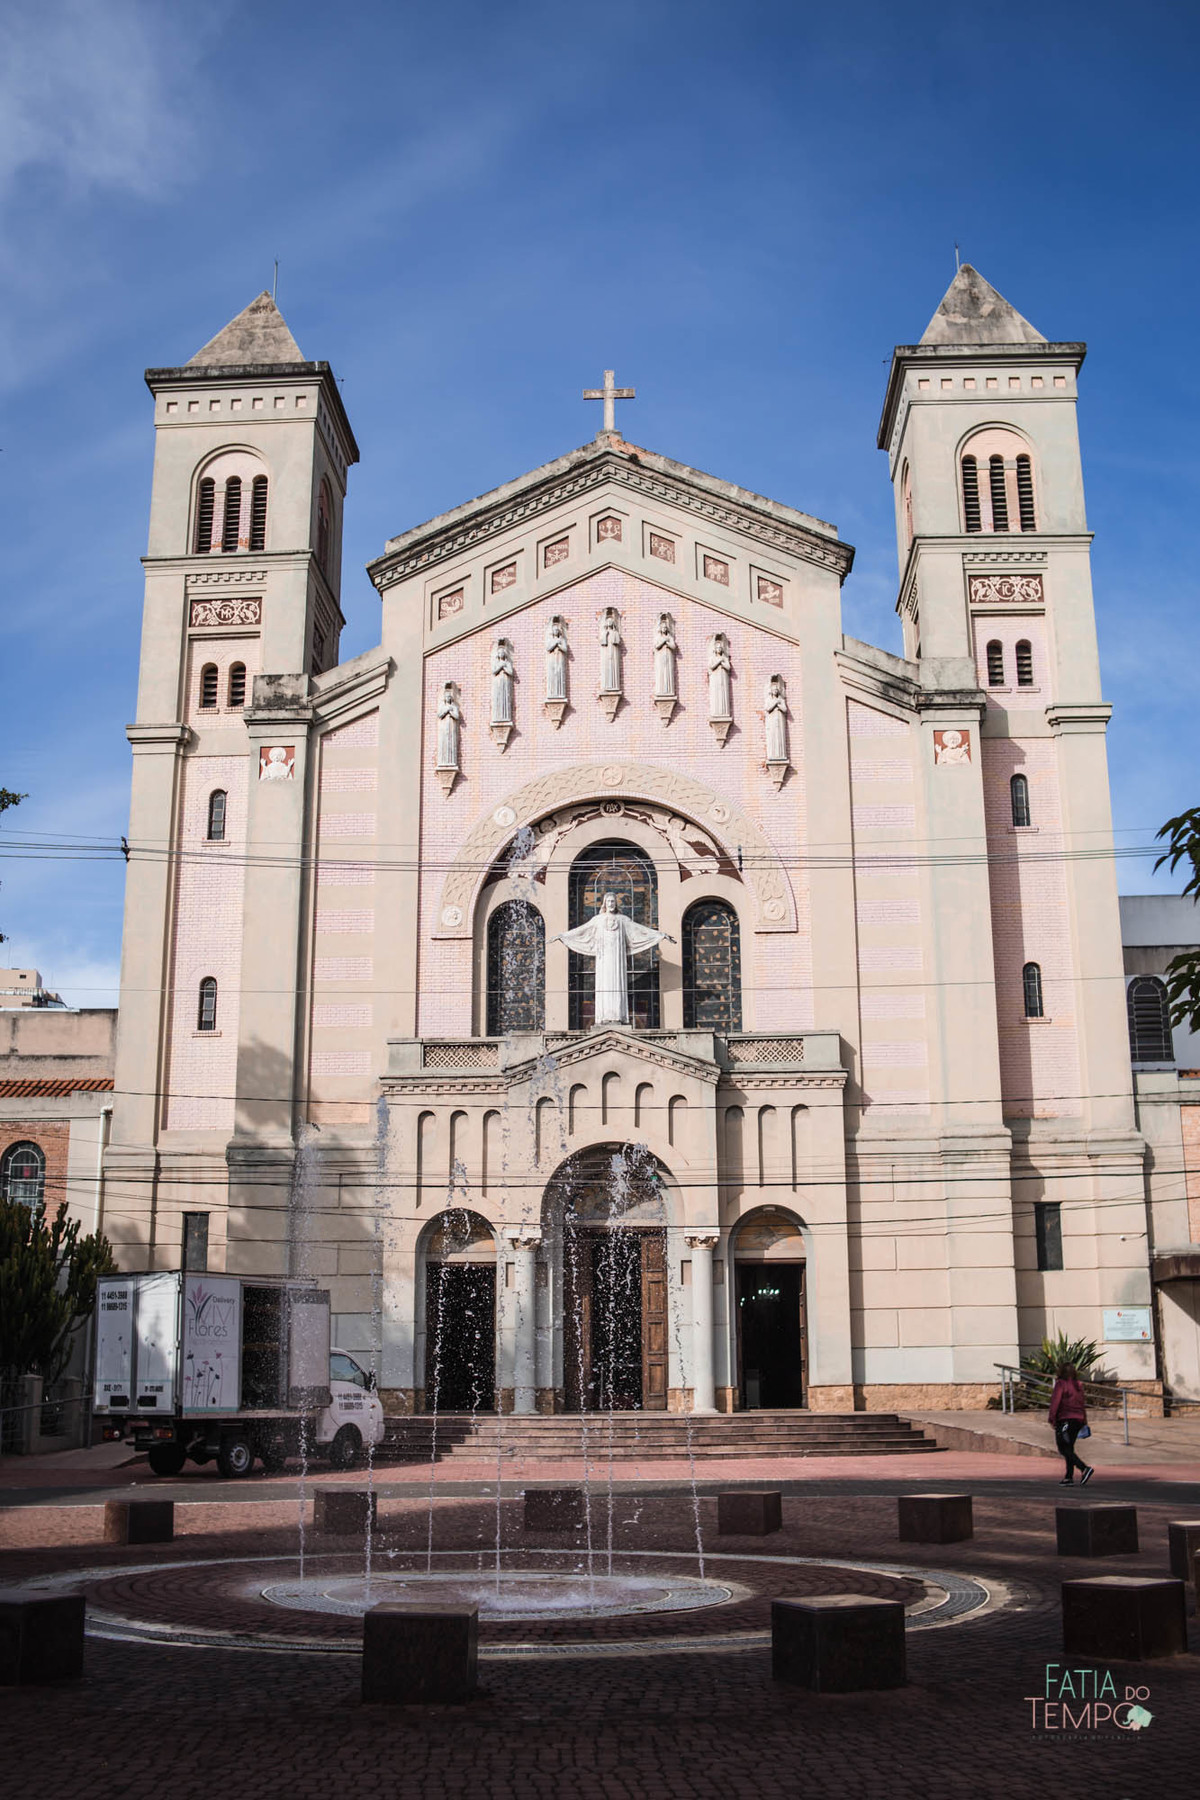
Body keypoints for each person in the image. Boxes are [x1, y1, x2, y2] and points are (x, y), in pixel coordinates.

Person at [1048, 1363, 1093, 1485]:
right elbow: (1082, 1403)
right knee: (1069, 1448)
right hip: (1078, 1419)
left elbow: (1055, 1402)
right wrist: (1084, 1420)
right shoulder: (1078, 1385)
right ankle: (1068, 1477)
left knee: (1063, 1448)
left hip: (1065, 1419)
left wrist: (1052, 1418)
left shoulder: (1061, 1384)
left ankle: (1084, 1468)